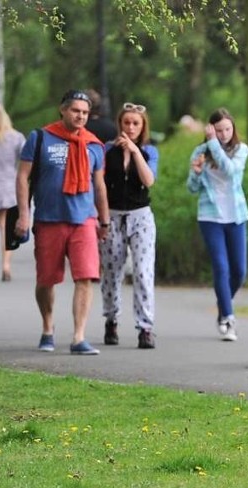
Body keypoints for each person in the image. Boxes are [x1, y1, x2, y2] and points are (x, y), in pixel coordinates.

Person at [14, 89, 110, 355]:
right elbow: (23, 177)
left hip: (84, 220)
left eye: (85, 113)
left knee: (85, 277)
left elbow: (99, 186)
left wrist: (104, 220)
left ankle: (79, 337)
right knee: (46, 280)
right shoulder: (40, 137)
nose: (80, 116)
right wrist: (24, 214)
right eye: (75, 111)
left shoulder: (94, 145)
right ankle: (47, 327)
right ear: (63, 110)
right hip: (49, 219)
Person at [99, 102, 159, 349]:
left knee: (143, 272)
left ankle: (145, 327)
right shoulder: (107, 150)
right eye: (127, 122)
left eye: (136, 123)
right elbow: (99, 184)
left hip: (140, 217)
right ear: (120, 124)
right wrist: (100, 218)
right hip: (113, 216)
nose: (131, 127)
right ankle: (111, 319)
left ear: (143, 126)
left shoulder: (149, 152)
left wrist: (135, 151)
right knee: (112, 272)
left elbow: (149, 180)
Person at [187, 108, 248, 342]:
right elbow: (192, 188)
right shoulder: (200, 152)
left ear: (233, 129)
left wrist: (213, 144)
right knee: (221, 268)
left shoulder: (241, 150)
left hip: (236, 216)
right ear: (211, 129)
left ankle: (223, 303)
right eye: (219, 130)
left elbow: (232, 172)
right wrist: (195, 173)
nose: (223, 134)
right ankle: (228, 318)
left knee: (239, 272)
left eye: (227, 129)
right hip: (210, 217)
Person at [0, 104, 26, 282]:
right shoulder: (16, 137)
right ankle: (6, 265)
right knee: (5, 228)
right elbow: (25, 160)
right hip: (8, 187)